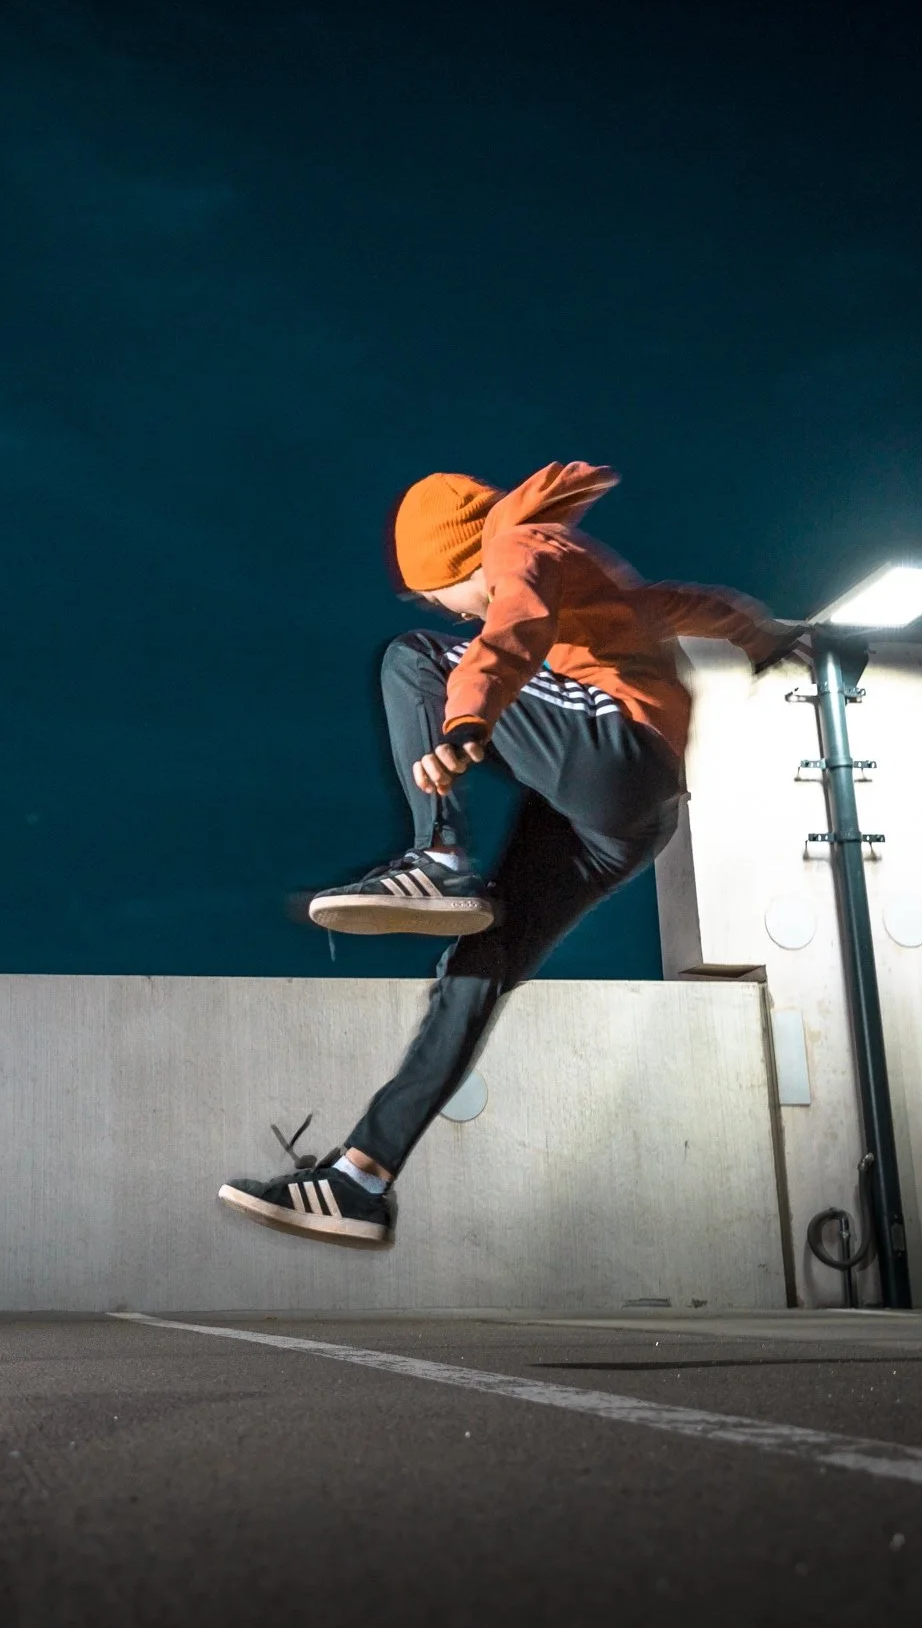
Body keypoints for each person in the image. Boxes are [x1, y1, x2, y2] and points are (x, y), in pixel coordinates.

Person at [219, 461, 806, 1246]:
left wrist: (465, 722)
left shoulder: (520, 545)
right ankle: (362, 1175)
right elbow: (685, 604)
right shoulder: (594, 583)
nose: (443, 608)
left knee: (415, 660)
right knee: (478, 962)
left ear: (464, 562)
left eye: (439, 592)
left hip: (616, 748)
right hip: (624, 819)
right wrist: (759, 631)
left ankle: (438, 853)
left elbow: (513, 629)